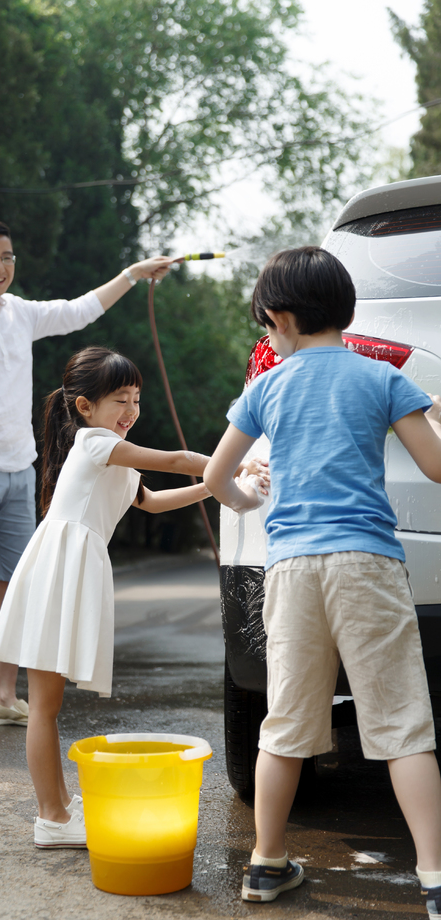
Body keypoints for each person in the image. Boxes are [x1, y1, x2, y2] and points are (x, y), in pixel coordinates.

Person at [203, 246, 441, 917]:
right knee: (401, 725)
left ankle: (265, 865)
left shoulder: (266, 387)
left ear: (277, 318)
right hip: (366, 563)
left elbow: (219, 480)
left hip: (292, 569)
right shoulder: (380, 379)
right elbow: (434, 467)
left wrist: (253, 495)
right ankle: (433, 877)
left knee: (283, 726)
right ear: (345, 310)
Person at [0, 346, 268, 848]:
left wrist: (213, 485)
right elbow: (180, 460)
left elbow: (154, 502)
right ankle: (52, 817)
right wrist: (237, 466)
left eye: (136, 398)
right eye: (121, 398)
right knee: (45, 706)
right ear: (85, 408)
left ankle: (58, 811)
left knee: (48, 706)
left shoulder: (109, 451)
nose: (132, 410)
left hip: (71, 565)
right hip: (61, 566)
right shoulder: (95, 442)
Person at [0, 217, 174, 744]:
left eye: (8, 256)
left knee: (15, 587)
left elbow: (80, 310)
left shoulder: (21, 315)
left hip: (19, 471)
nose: (2, 266)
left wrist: (131, 273)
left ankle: (4, 697)